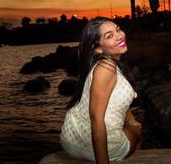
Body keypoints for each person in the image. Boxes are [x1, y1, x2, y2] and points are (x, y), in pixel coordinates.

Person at [60, 17, 142, 164]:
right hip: (97, 146)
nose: (120, 35)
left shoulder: (103, 64)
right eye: (109, 36)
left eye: (118, 30)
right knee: (139, 132)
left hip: (71, 138)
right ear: (98, 48)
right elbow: (96, 119)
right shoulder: (106, 69)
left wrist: (132, 121)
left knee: (134, 125)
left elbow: (116, 99)